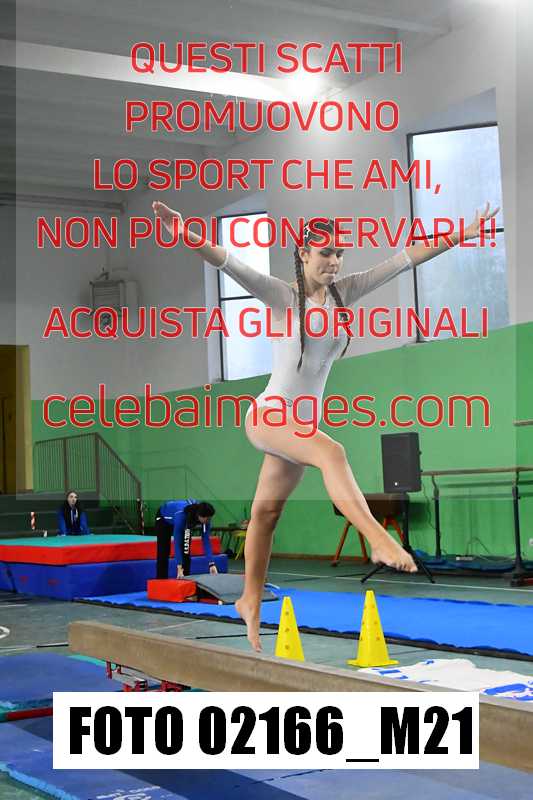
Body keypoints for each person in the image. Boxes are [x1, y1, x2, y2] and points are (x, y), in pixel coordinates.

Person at [152, 200, 499, 650]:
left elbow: (405, 259)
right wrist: (185, 233)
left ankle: (249, 600)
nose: (334, 261)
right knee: (332, 452)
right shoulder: (282, 295)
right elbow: (229, 263)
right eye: (325, 253)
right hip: (271, 415)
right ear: (303, 254)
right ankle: (377, 539)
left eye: (339, 253)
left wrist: (460, 235)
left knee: (266, 514)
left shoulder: (343, 292)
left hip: (300, 425)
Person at [155, 498, 218, 579]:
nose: (209, 521)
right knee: (164, 550)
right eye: (207, 519)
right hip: (163, 519)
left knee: (186, 550)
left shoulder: (204, 518)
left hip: (186, 519)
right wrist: (179, 566)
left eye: (210, 518)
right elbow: (177, 543)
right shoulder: (181, 516)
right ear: (200, 516)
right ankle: (161, 579)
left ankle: (185, 578)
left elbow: (206, 541)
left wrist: (211, 564)